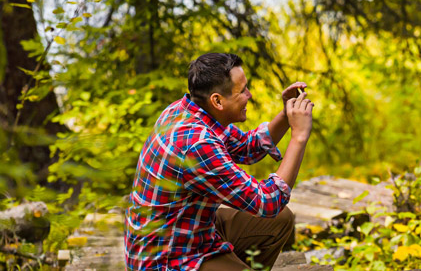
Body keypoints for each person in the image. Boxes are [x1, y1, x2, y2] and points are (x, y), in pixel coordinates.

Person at [125, 53, 314, 271]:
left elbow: (247, 147)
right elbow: (267, 201)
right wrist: (299, 136)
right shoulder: (196, 144)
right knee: (273, 211)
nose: (249, 95)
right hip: (167, 259)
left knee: (279, 220)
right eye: (242, 91)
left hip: (193, 230)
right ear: (217, 100)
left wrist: (286, 114)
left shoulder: (189, 111)